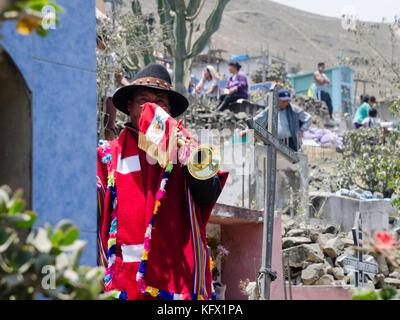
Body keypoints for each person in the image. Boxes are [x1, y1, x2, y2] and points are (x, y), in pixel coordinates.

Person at [97, 63, 228, 300]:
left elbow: (208, 195)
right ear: (129, 106)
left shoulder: (185, 148)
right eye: (144, 101)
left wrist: (185, 154)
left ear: (169, 112)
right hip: (126, 281)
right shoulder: (108, 155)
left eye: (160, 103)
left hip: (178, 281)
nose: (152, 109)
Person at [246, 89, 312, 152]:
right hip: (273, 141)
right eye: (283, 101)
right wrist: (247, 130)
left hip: (290, 142)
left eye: (287, 101)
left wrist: (302, 129)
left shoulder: (294, 109)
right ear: (277, 100)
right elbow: (257, 120)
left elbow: (308, 118)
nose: (285, 103)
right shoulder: (270, 109)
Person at [97, 35, 130, 140]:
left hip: (109, 96)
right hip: (95, 96)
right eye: (101, 39)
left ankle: (107, 152)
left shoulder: (112, 57)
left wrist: (131, 87)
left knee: (109, 128)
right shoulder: (92, 55)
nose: (105, 42)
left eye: (106, 39)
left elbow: (118, 76)